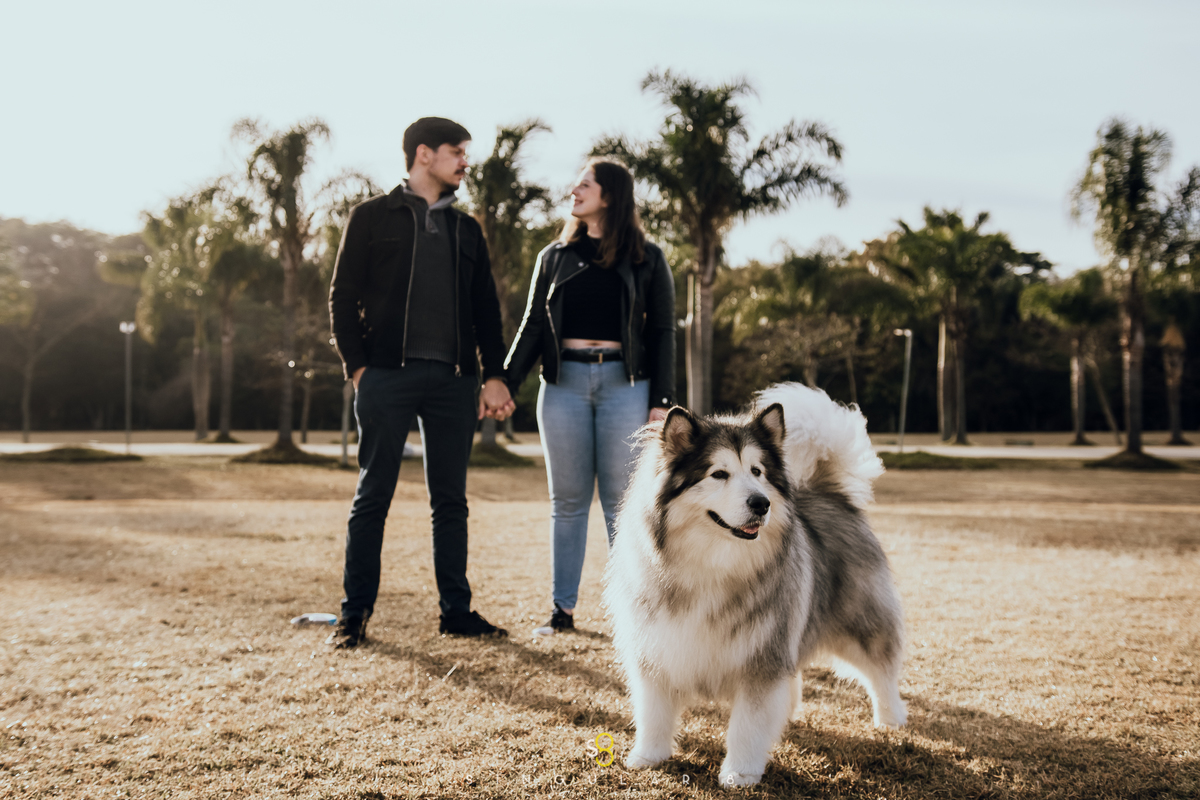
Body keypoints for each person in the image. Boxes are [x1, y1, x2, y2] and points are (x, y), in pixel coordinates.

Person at [327, 117, 516, 648]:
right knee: (374, 495)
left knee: (450, 501)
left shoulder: (467, 230)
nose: (464, 162)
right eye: (457, 152)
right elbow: (343, 295)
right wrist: (359, 368)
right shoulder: (371, 217)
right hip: (387, 375)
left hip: (454, 383)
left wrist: (494, 376)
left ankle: (457, 612)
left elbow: (486, 312)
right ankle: (354, 614)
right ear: (424, 155)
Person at [504, 158, 676, 635]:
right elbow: (533, 327)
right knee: (568, 501)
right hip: (563, 388)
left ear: (610, 195)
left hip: (627, 386)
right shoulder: (554, 256)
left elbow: (662, 332)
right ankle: (562, 612)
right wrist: (503, 381)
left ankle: (639, 613)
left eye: (584, 183)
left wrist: (663, 399)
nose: (574, 190)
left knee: (623, 502)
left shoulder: (648, 258)